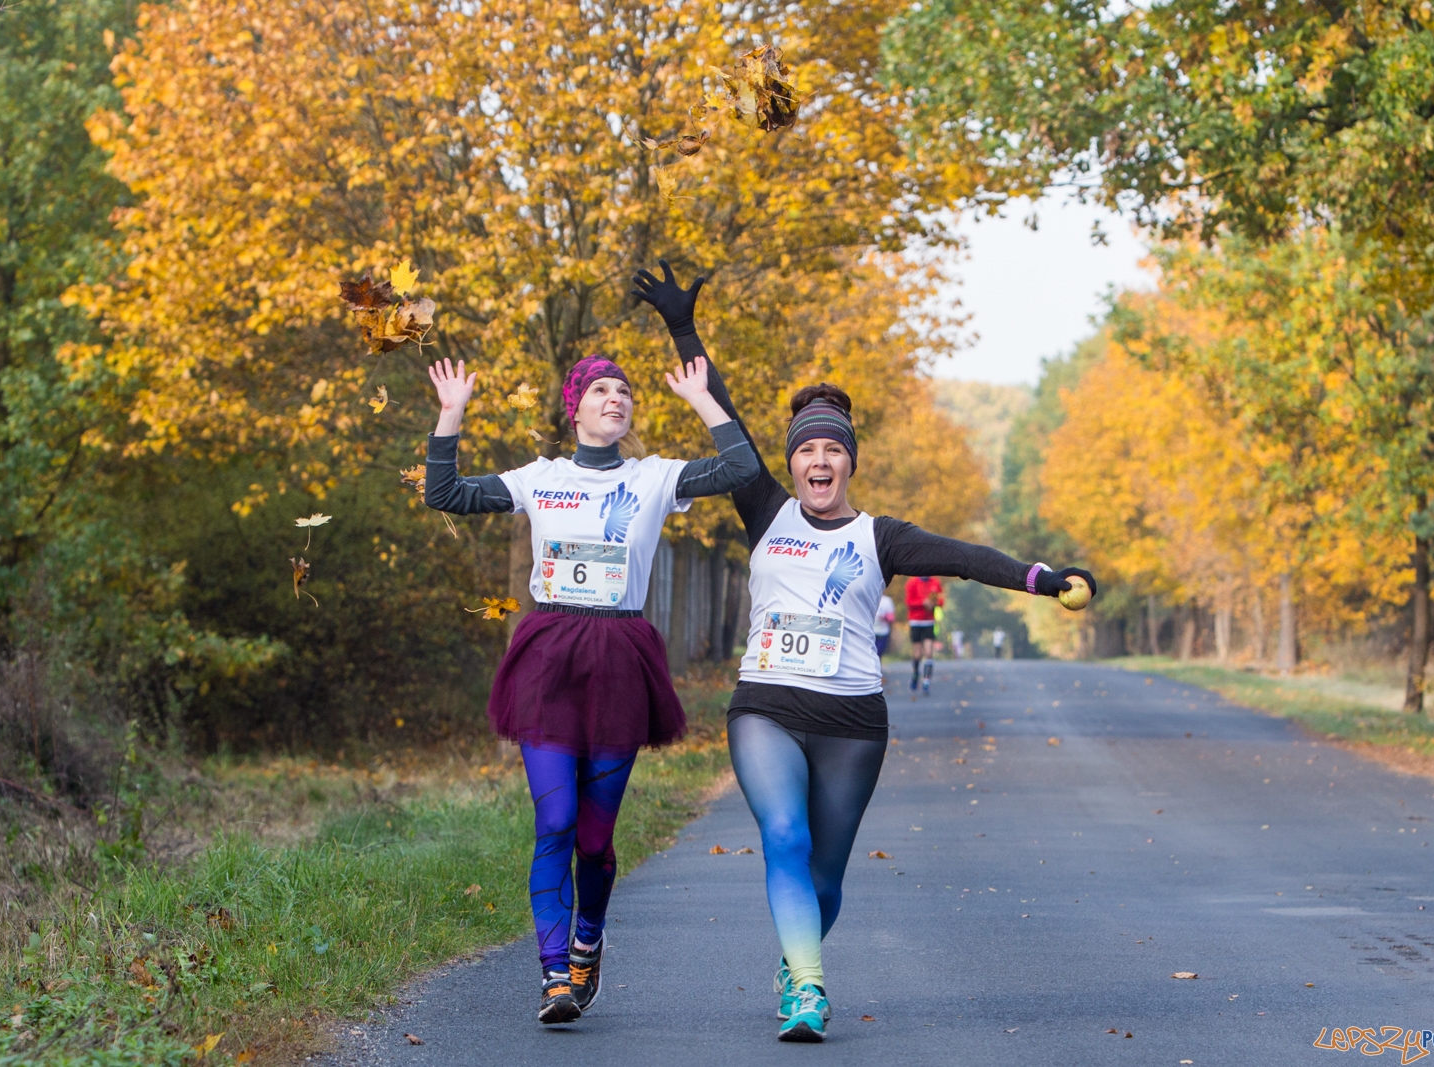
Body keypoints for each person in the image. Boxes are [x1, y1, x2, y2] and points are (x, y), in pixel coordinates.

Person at [634, 261, 1097, 1042]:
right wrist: (682, 326)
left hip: (853, 719)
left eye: (833, 451)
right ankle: (809, 989)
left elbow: (965, 557)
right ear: (791, 462)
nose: (820, 461)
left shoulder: (879, 535)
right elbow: (729, 416)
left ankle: (797, 955)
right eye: (807, 450)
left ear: (850, 461)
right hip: (767, 706)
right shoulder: (764, 507)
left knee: (826, 875)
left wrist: (1047, 579)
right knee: (783, 836)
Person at [423, 352, 759, 1026]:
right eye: (601, 389)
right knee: (554, 822)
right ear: (574, 407)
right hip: (548, 656)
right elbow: (446, 493)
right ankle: (554, 978)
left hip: (618, 659)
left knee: (595, 840)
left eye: (625, 390)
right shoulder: (541, 477)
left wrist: (703, 399)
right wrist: (451, 411)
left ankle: (588, 938)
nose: (617, 397)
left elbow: (744, 469)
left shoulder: (656, 476)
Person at [906, 574, 943, 693]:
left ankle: (926, 681)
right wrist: (923, 603)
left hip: (929, 621)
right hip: (916, 621)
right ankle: (915, 674)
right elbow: (909, 602)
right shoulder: (912, 583)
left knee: (928, 652)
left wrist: (935, 603)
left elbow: (941, 600)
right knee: (917, 654)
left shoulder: (935, 582)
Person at [872, 593, 896, 659]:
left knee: (879, 653)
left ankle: (877, 667)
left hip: (883, 632)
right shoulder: (869, 597)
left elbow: (892, 617)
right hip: (870, 631)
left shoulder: (887, 601)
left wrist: (885, 617)